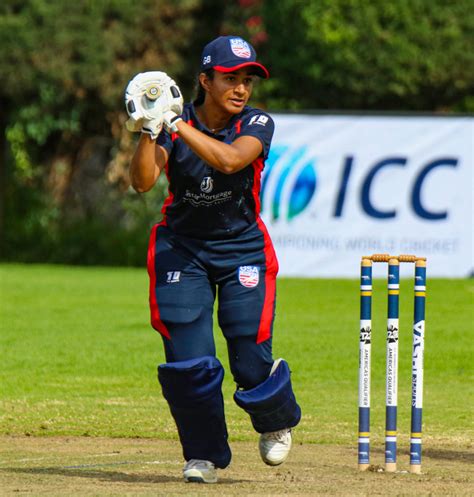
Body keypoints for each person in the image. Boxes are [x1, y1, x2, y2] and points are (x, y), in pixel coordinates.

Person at [125, 35, 301, 484]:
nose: (241, 89)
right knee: (189, 360)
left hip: (243, 246)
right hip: (182, 247)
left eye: (247, 80)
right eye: (229, 79)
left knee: (248, 357)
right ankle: (203, 455)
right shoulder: (171, 124)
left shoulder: (256, 123)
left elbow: (228, 162)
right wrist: (150, 129)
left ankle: (275, 418)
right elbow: (143, 182)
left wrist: (176, 125)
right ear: (204, 80)